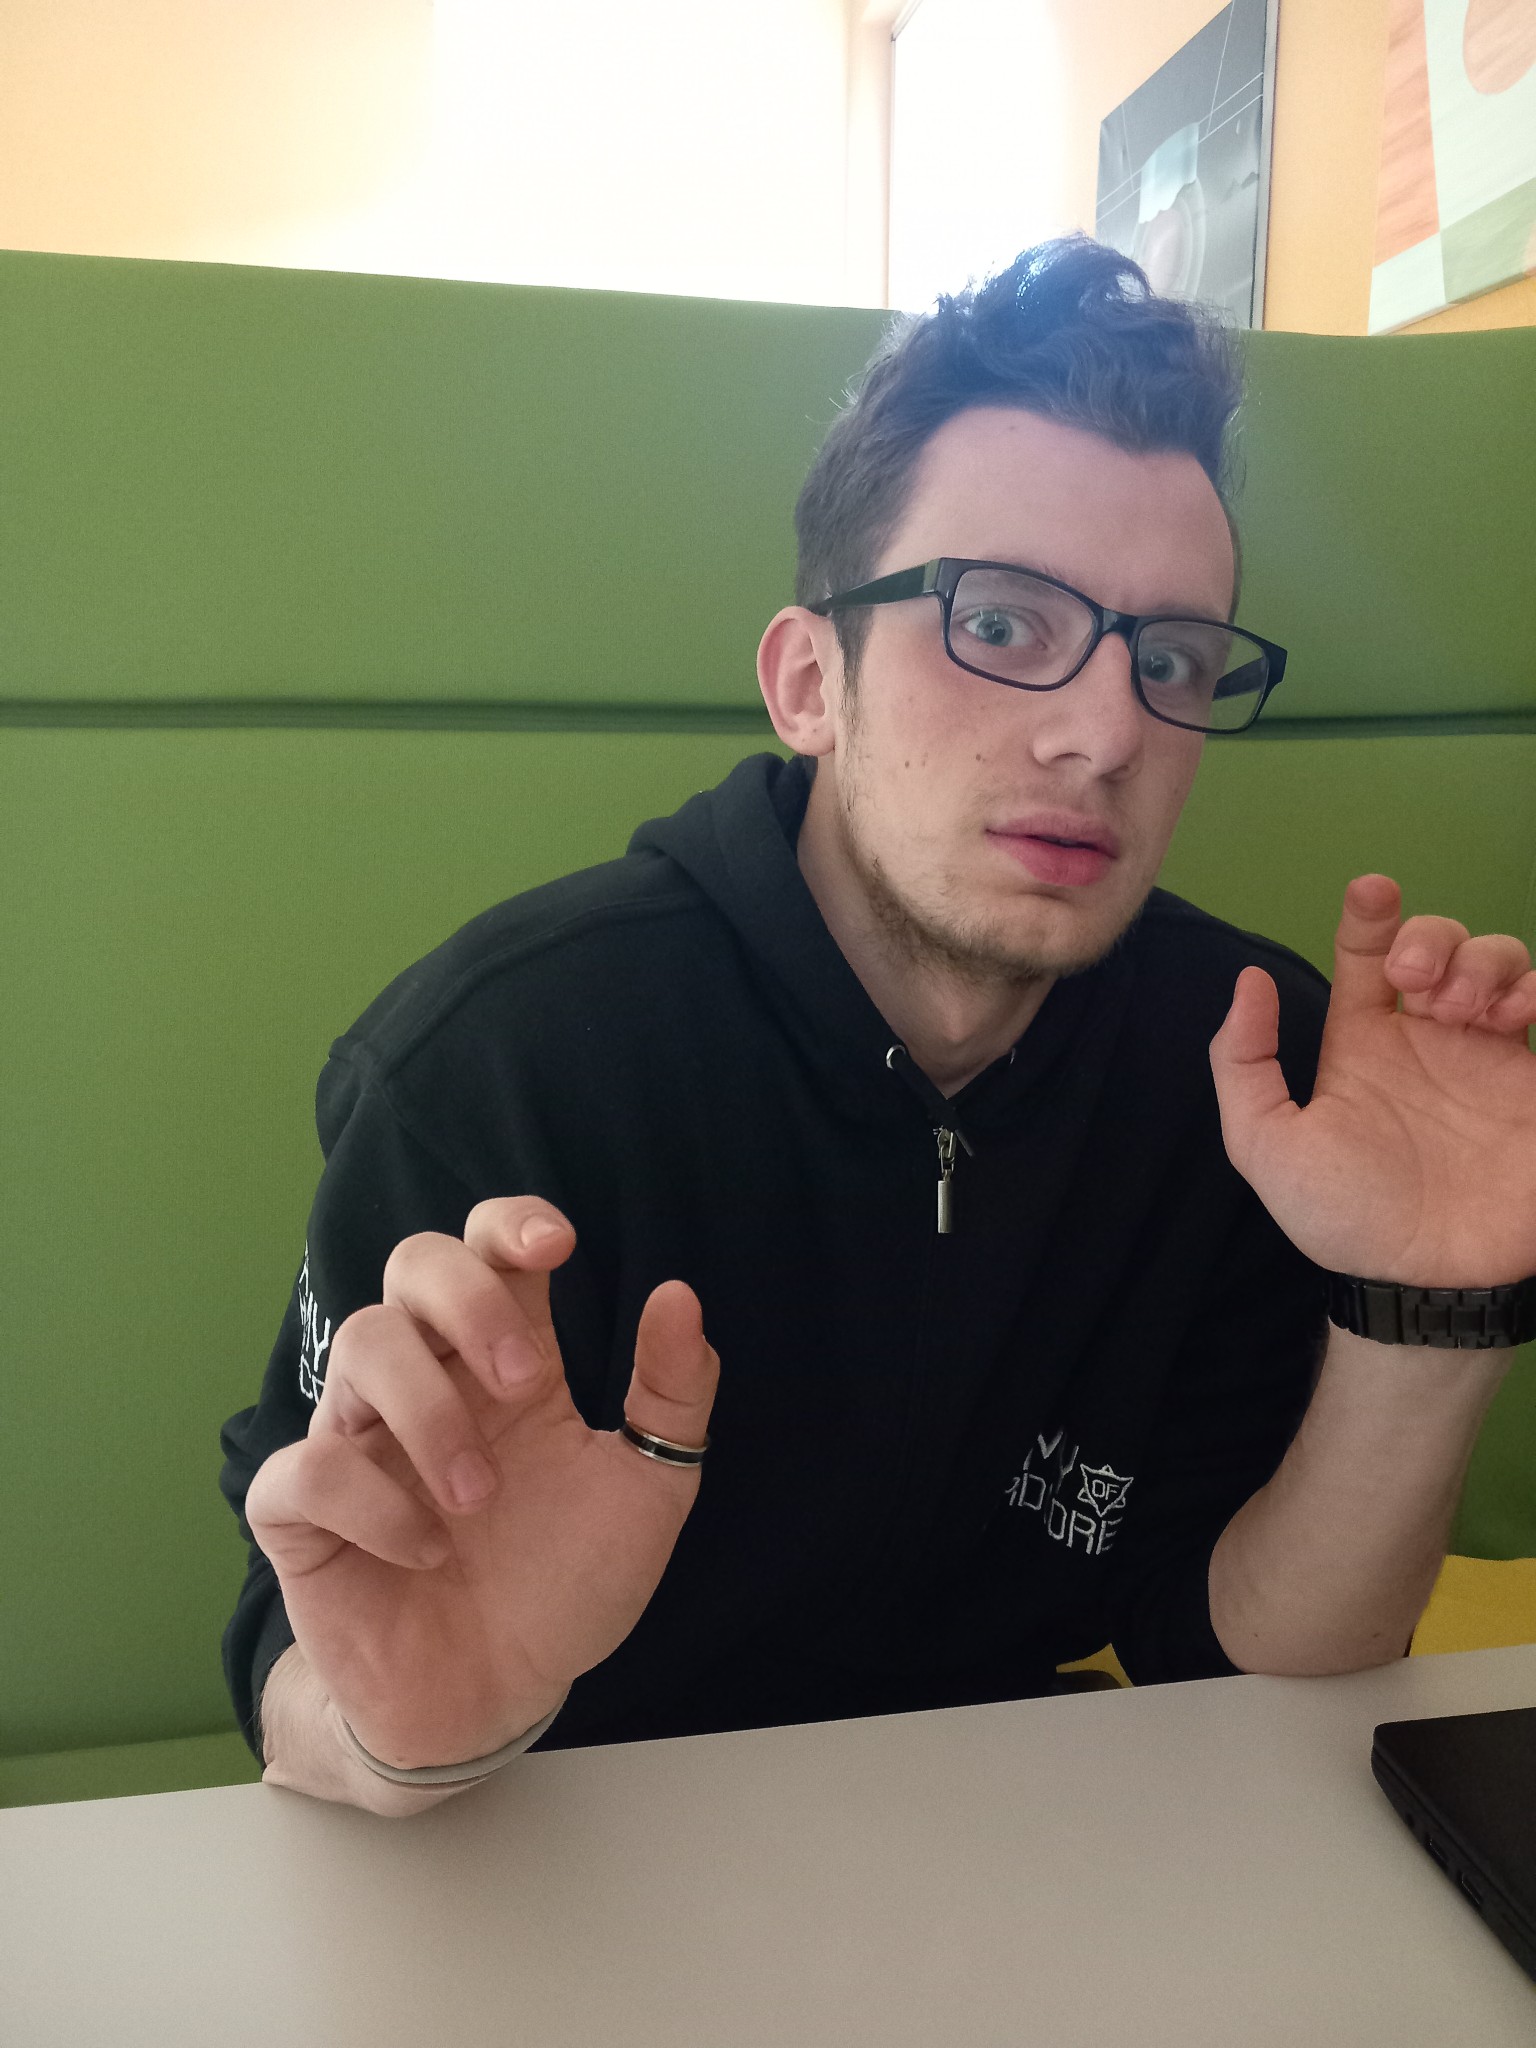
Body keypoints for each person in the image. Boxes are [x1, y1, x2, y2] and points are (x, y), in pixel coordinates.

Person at [219, 237, 1536, 1817]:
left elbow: (1237, 1647)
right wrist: (410, 1725)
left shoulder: (1250, 1065)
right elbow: (305, 1641)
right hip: (553, 1848)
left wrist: (1426, 1313)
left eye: (1173, 659)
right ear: (809, 683)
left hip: (1029, 1854)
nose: (1106, 732)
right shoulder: (502, 1061)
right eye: (1003, 624)